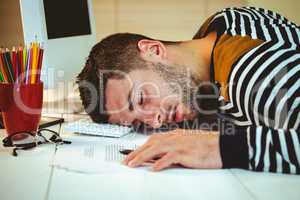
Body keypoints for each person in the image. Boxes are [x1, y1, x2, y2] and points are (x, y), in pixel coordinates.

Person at [77, 7, 300, 174]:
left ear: (154, 50)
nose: (155, 122)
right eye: (139, 123)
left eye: (142, 98)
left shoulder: (254, 73)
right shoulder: (218, 26)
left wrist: (218, 147)